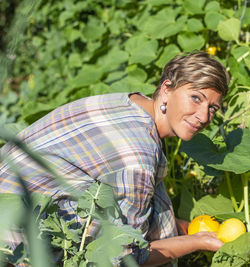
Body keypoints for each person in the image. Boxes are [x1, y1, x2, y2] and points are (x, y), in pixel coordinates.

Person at [0, 51, 230, 266]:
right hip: (14, 245)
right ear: (167, 89)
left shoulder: (129, 103)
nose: (203, 116)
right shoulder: (139, 155)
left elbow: (134, 200)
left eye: (212, 108)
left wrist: (185, 227)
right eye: (196, 98)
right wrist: (200, 242)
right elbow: (127, 257)